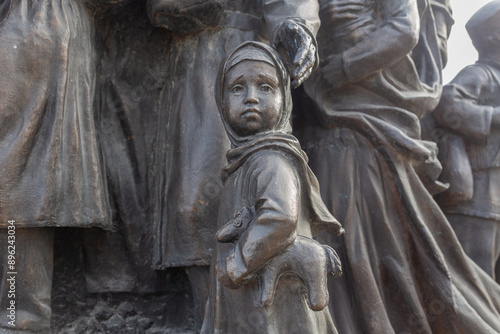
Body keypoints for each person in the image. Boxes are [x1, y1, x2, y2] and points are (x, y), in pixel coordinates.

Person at [296, 0, 500, 332]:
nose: (441, 41)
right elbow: (451, 100)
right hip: (328, 113)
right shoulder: (481, 75)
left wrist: (345, 67)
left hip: (362, 112)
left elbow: (404, 28)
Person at [148, 0, 321, 327]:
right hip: (186, 61)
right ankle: (214, 317)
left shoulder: (259, 112)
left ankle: (235, 318)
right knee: (192, 206)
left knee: (223, 199)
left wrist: (294, 25)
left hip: (242, 48)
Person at [202, 41, 343, 334]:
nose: (251, 97)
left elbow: (279, 218)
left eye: (266, 87)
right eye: (237, 88)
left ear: (284, 101)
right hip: (249, 296)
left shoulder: (271, 159)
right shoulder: (243, 161)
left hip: (275, 300)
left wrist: (237, 265)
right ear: (221, 99)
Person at [0, 1, 123, 332]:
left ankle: (18, 316)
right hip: (42, 31)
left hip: (36, 28)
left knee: (19, 181)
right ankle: (20, 316)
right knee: (20, 178)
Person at [433, 0, 500, 281]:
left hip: (495, 196)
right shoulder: (481, 73)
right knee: (476, 276)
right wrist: (495, 117)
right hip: (478, 198)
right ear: (492, 37)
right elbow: (446, 103)